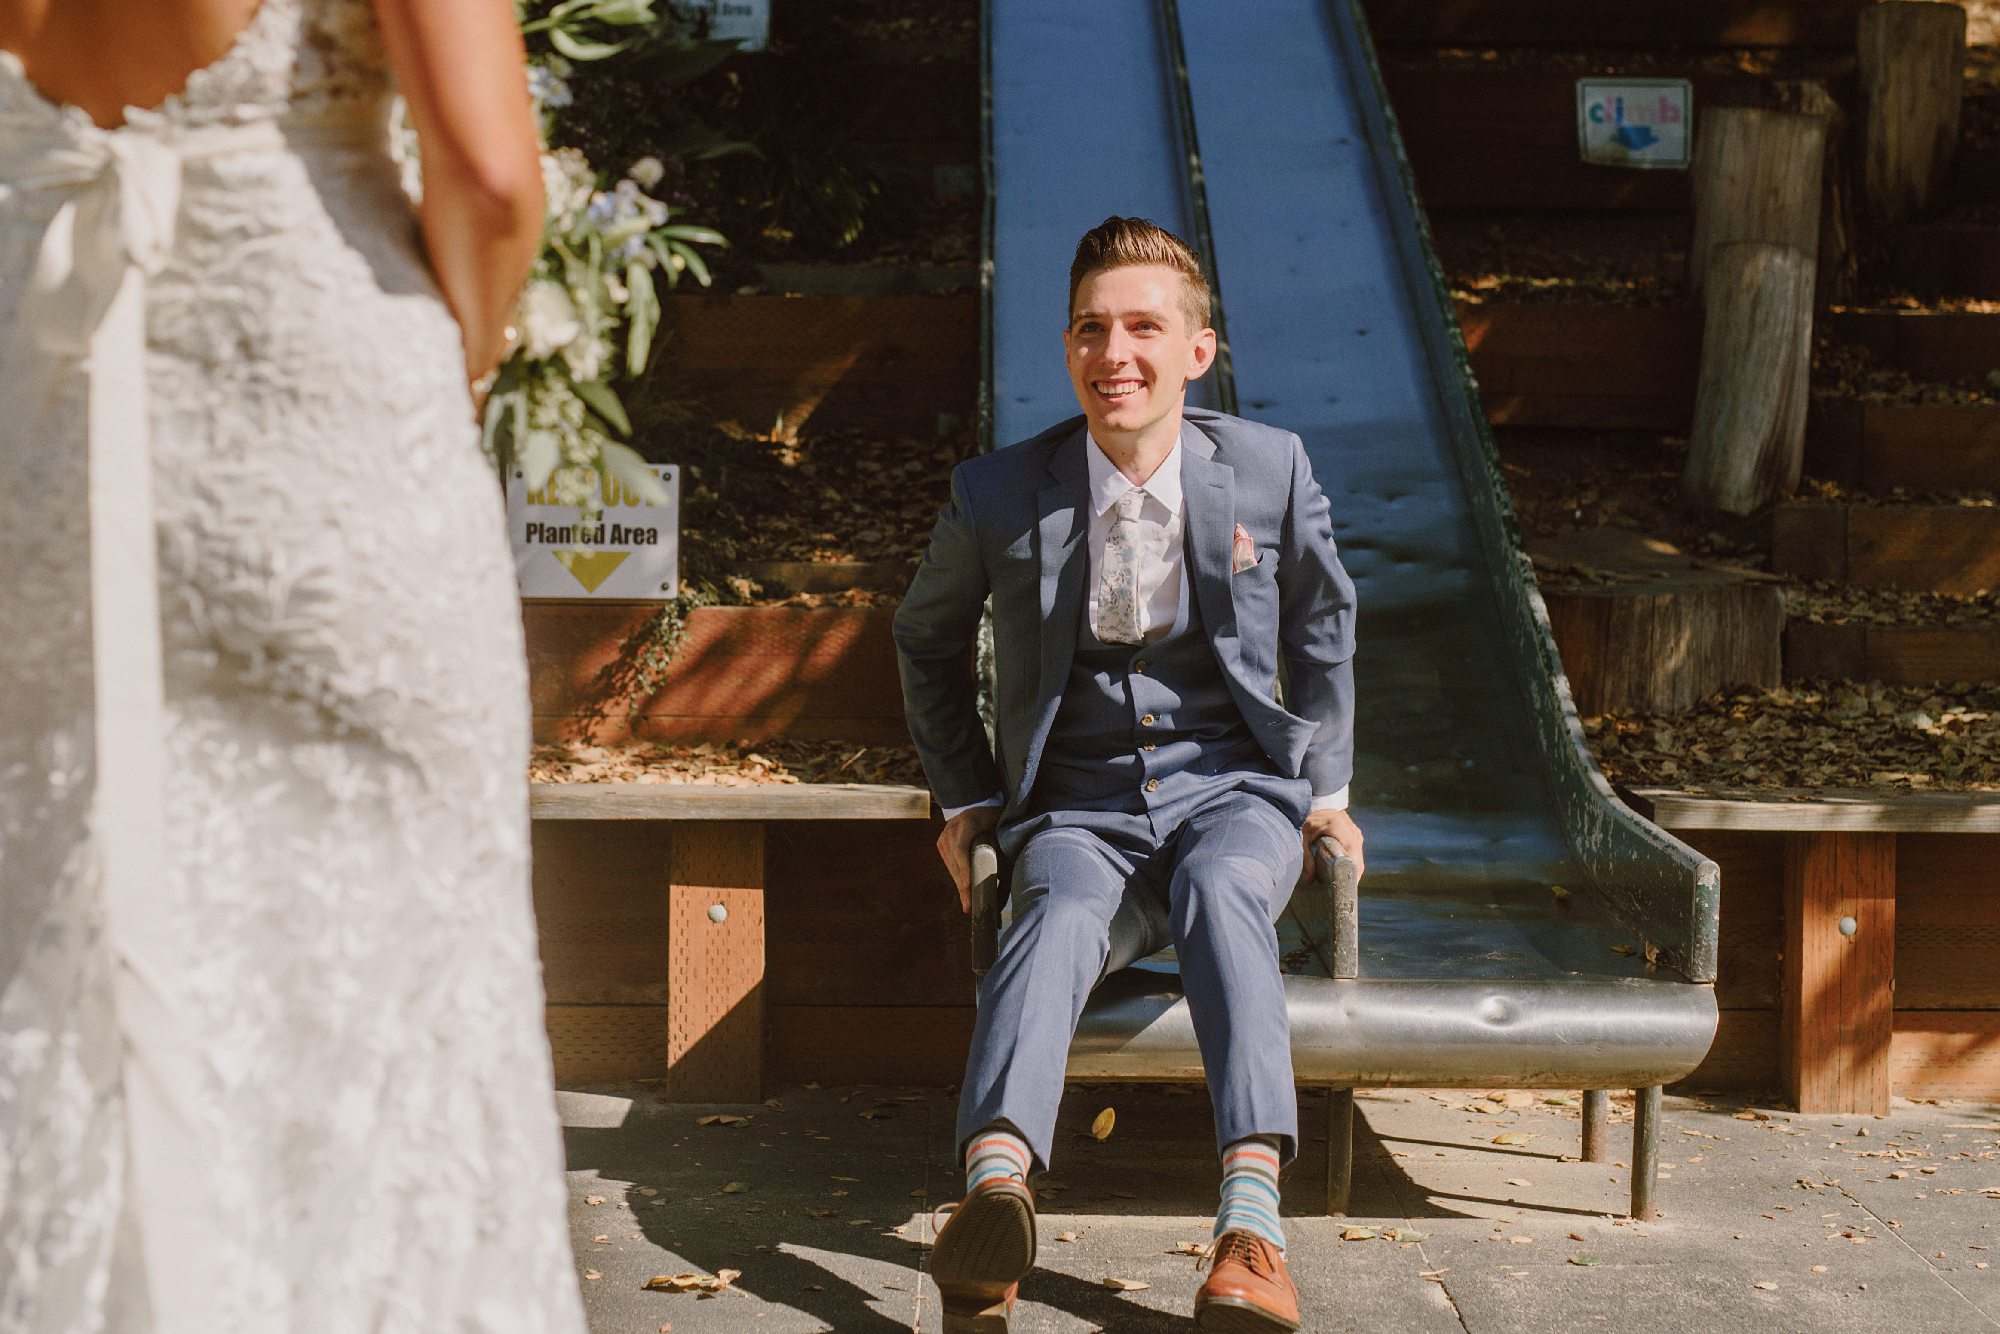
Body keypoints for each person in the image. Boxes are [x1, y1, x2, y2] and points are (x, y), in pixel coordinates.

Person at [0, 1, 585, 1328]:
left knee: (48, 932)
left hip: (35, 429)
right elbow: (490, 178)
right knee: (388, 970)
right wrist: (466, 366)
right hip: (320, 428)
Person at [895, 215, 1364, 1333]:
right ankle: (994, 1193)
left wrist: (1329, 788)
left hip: (1233, 789)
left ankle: (1249, 1229)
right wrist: (965, 798)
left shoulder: (1266, 468)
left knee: (1219, 894)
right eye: (1091, 330)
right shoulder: (1001, 492)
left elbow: (1325, 622)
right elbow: (923, 636)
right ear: (1066, 349)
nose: (1116, 354)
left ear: (1196, 350)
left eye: (1144, 328)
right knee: (1050, 912)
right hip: (1078, 798)